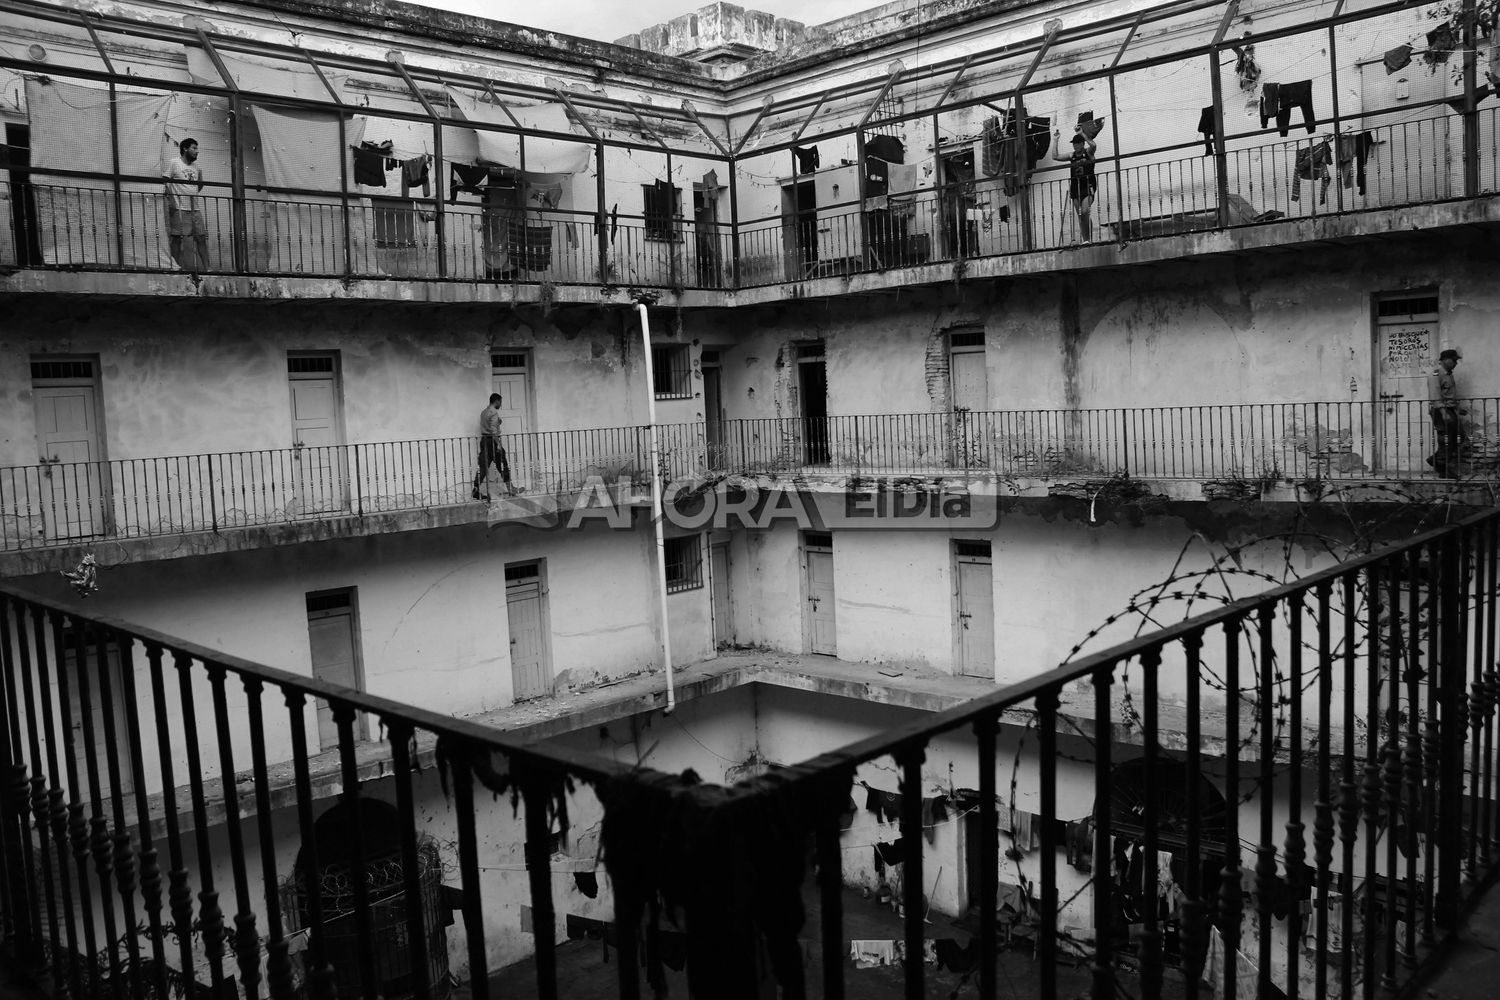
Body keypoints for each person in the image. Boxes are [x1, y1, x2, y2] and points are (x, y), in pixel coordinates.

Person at [163, 138, 209, 270]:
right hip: (179, 208)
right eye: (194, 148)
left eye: (197, 148)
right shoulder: (174, 163)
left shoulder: (196, 167)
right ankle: (175, 268)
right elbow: (165, 180)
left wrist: (192, 193)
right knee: (177, 239)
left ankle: (208, 268)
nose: (197, 151)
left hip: (195, 209)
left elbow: (200, 184)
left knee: (201, 238)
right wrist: (171, 199)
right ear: (185, 149)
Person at [1053, 128, 1098, 242]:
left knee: (1084, 211)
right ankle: (1086, 240)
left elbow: (1093, 145)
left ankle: (1088, 239)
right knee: (1081, 215)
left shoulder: (1088, 153)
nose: (1075, 146)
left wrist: (1082, 133)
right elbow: (1055, 156)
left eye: (1078, 143)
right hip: (1075, 188)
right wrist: (1055, 140)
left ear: (1082, 144)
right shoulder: (1071, 155)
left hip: (1087, 186)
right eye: (1074, 144)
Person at [1428, 348, 1467, 477]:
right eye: (1454, 360)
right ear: (1445, 360)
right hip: (1441, 410)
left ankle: (1436, 460)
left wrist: (1456, 409)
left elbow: (1449, 395)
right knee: (1446, 439)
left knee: (1457, 437)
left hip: (1449, 409)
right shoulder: (1436, 374)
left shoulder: (1448, 374)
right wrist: (1444, 412)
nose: (1456, 363)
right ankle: (1442, 468)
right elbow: (1435, 395)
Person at [473, 393, 515, 500]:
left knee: (483, 467)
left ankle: (475, 490)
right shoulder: (494, 412)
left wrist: (498, 422)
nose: (500, 404)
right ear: (496, 401)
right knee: (503, 465)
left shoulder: (484, 412)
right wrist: (499, 445)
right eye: (500, 402)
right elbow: (494, 431)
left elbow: (489, 424)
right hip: (492, 441)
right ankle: (511, 489)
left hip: (484, 441)